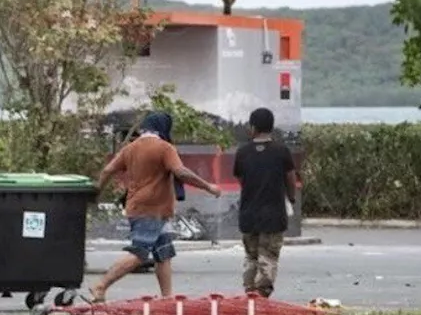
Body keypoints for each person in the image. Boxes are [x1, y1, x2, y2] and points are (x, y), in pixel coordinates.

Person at [90, 112, 222, 302]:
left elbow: (108, 170)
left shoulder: (130, 148)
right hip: (150, 210)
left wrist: (96, 194)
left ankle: (167, 298)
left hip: (150, 209)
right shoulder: (164, 148)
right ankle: (101, 285)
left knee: (164, 252)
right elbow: (181, 172)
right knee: (139, 253)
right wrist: (208, 187)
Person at [234, 107, 300, 298]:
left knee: (251, 256)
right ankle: (261, 295)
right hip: (273, 215)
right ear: (271, 127)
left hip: (248, 215)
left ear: (253, 127)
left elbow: (240, 179)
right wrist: (291, 196)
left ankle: (249, 293)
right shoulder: (281, 151)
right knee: (268, 256)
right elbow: (290, 177)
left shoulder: (243, 152)